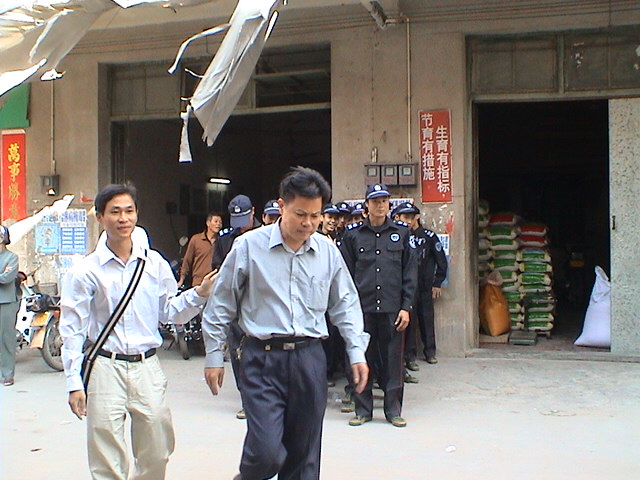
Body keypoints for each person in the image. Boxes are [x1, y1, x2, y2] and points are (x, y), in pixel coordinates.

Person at [202, 166, 369, 480]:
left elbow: (345, 304)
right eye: (300, 214)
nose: (308, 223)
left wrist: (356, 351)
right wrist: (214, 356)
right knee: (266, 453)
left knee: (303, 459)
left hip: (309, 359)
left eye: (315, 216)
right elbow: (221, 303)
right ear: (281, 207)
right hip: (262, 359)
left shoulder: (327, 251)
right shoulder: (249, 246)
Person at [60, 184, 216, 480]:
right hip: (105, 367)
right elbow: (72, 329)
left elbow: (169, 311)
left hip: (147, 367)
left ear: (136, 214)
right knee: (106, 457)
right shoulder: (85, 271)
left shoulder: (153, 264)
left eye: (129, 211)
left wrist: (199, 294)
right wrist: (73, 382)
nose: (123, 218)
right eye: (115, 212)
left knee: (157, 450)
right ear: (100, 218)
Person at [339, 183, 417, 428]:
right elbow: (345, 275)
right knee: (362, 358)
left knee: (394, 361)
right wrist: (347, 309)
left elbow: (410, 273)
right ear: (367, 205)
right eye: (375, 201)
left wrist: (406, 307)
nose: (380, 205)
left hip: (393, 309)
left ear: (389, 205)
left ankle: (393, 410)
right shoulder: (353, 235)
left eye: (384, 201)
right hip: (362, 309)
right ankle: (363, 410)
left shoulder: (401, 233)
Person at [212, 194, 261, 421]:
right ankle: (246, 400)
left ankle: (260, 399)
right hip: (235, 305)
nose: (241, 227)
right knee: (237, 354)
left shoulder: (265, 236)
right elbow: (217, 268)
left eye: (245, 220)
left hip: (259, 304)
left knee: (259, 354)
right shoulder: (225, 239)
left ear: (253, 213)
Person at [394, 202, 448, 365]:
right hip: (407, 288)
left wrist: (437, 282)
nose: (408, 221)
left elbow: (441, 261)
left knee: (426, 319)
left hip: (425, 286)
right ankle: (409, 357)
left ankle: (430, 352)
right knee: (408, 323)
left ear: (417, 217)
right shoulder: (399, 237)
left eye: (411, 217)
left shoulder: (428, 237)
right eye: (405, 217)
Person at [178, 211, 222, 288]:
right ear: (208, 223)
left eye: (220, 222)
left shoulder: (222, 241)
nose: (218, 224)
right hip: (198, 283)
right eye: (215, 221)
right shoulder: (196, 239)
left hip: (216, 283)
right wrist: (181, 280)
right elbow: (187, 260)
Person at [0, 225, 20, 387]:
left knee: (6, 338)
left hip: (6, 301)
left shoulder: (11, 257)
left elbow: (7, 278)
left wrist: (3, 274)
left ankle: (7, 374)